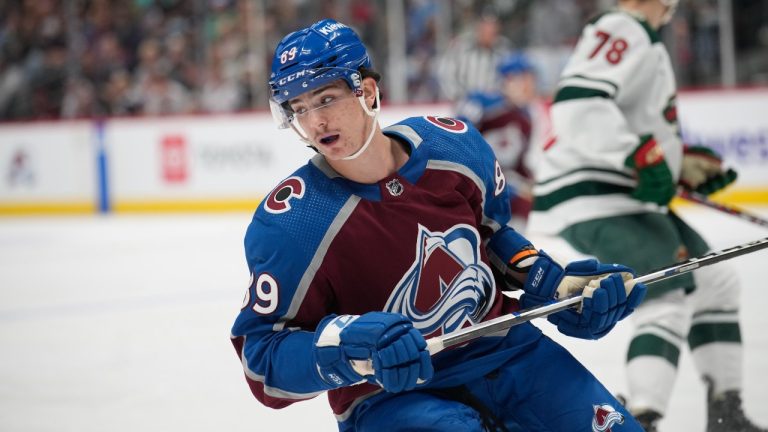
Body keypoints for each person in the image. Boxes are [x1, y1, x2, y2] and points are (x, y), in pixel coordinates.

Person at [231, 19, 648, 432]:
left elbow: (489, 236)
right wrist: (346, 347)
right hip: (389, 396)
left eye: (324, 99)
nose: (313, 122)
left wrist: (550, 282)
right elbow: (262, 358)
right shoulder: (292, 223)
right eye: (298, 108)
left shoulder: (453, 146)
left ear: (368, 92)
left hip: (507, 351)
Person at [527, 1, 766, 431]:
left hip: (623, 197)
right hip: (596, 196)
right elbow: (577, 105)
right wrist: (638, 154)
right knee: (667, 293)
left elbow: (629, 121)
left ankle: (726, 413)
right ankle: (641, 417)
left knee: (717, 282)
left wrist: (678, 163)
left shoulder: (642, 37)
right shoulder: (624, 26)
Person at [455, 52, 550, 231]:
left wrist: (533, 184)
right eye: (526, 79)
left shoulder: (526, 117)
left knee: (529, 204)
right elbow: (456, 145)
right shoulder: (481, 104)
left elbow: (518, 165)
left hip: (501, 182)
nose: (531, 86)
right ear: (510, 80)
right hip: (474, 181)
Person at [436, 12, 512, 106]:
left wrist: (500, 97)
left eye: (492, 28)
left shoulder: (503, 50)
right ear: (478, 28)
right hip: (464, 105)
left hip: (494, 107)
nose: (488, 31)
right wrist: (457, 97)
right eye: (485, 28)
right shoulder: (461, 48)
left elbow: (510, 78)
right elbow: (446, 74)